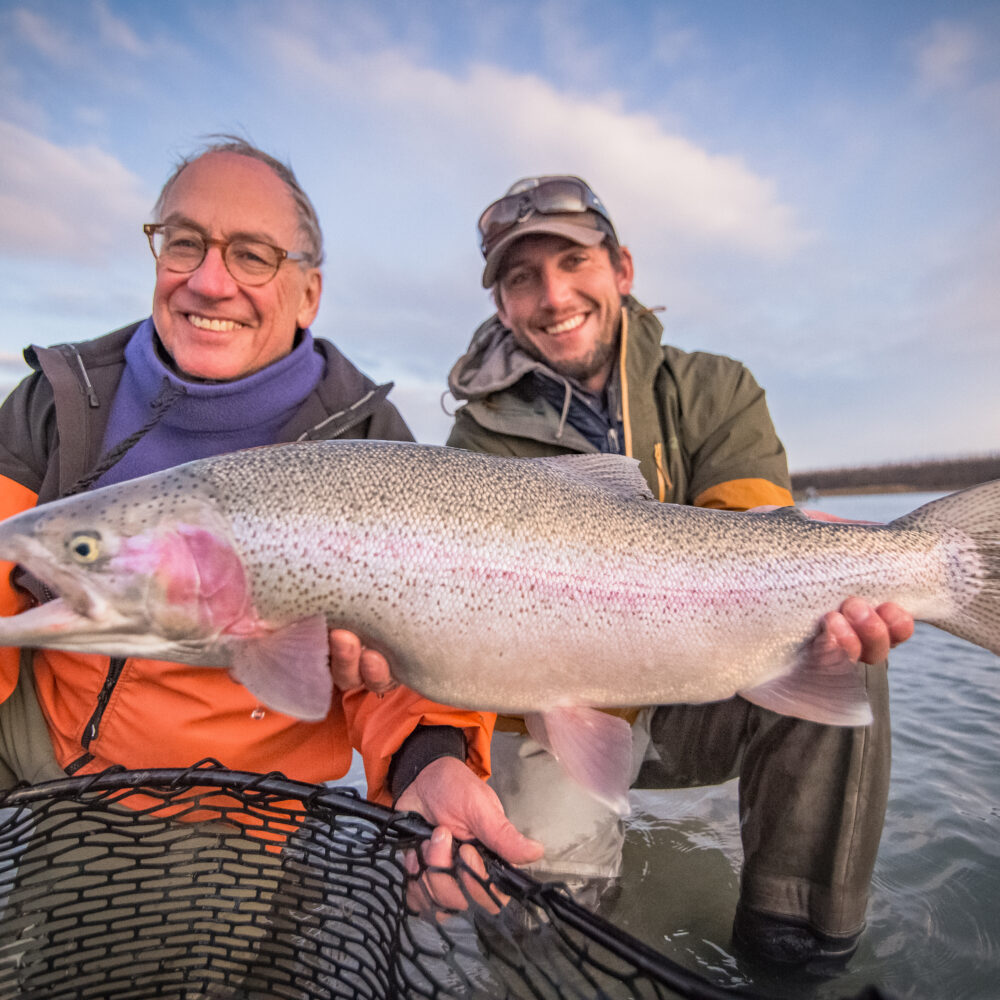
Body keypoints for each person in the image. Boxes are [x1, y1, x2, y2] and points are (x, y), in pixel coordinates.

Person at [0, 138, 542, 886]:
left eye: (251, 255)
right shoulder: (60, 396)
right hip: (29, 735)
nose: (209, 281)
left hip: (225, 802)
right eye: (184, 242)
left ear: (309, 294)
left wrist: (431, 763)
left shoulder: (374, 445)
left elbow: (414, 667)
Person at [437, 175, 914, 967]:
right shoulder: (473, 446)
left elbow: (747, 533)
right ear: (502, 306)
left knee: (852, 656)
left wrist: (816, 580)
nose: (552, 295)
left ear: (621, 267)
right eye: (522, 277)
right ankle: (560, 936)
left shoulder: (715, 388)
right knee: (535, 937)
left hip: (705, 676)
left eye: (572, 262)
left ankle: (796, 949)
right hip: (553, 709)